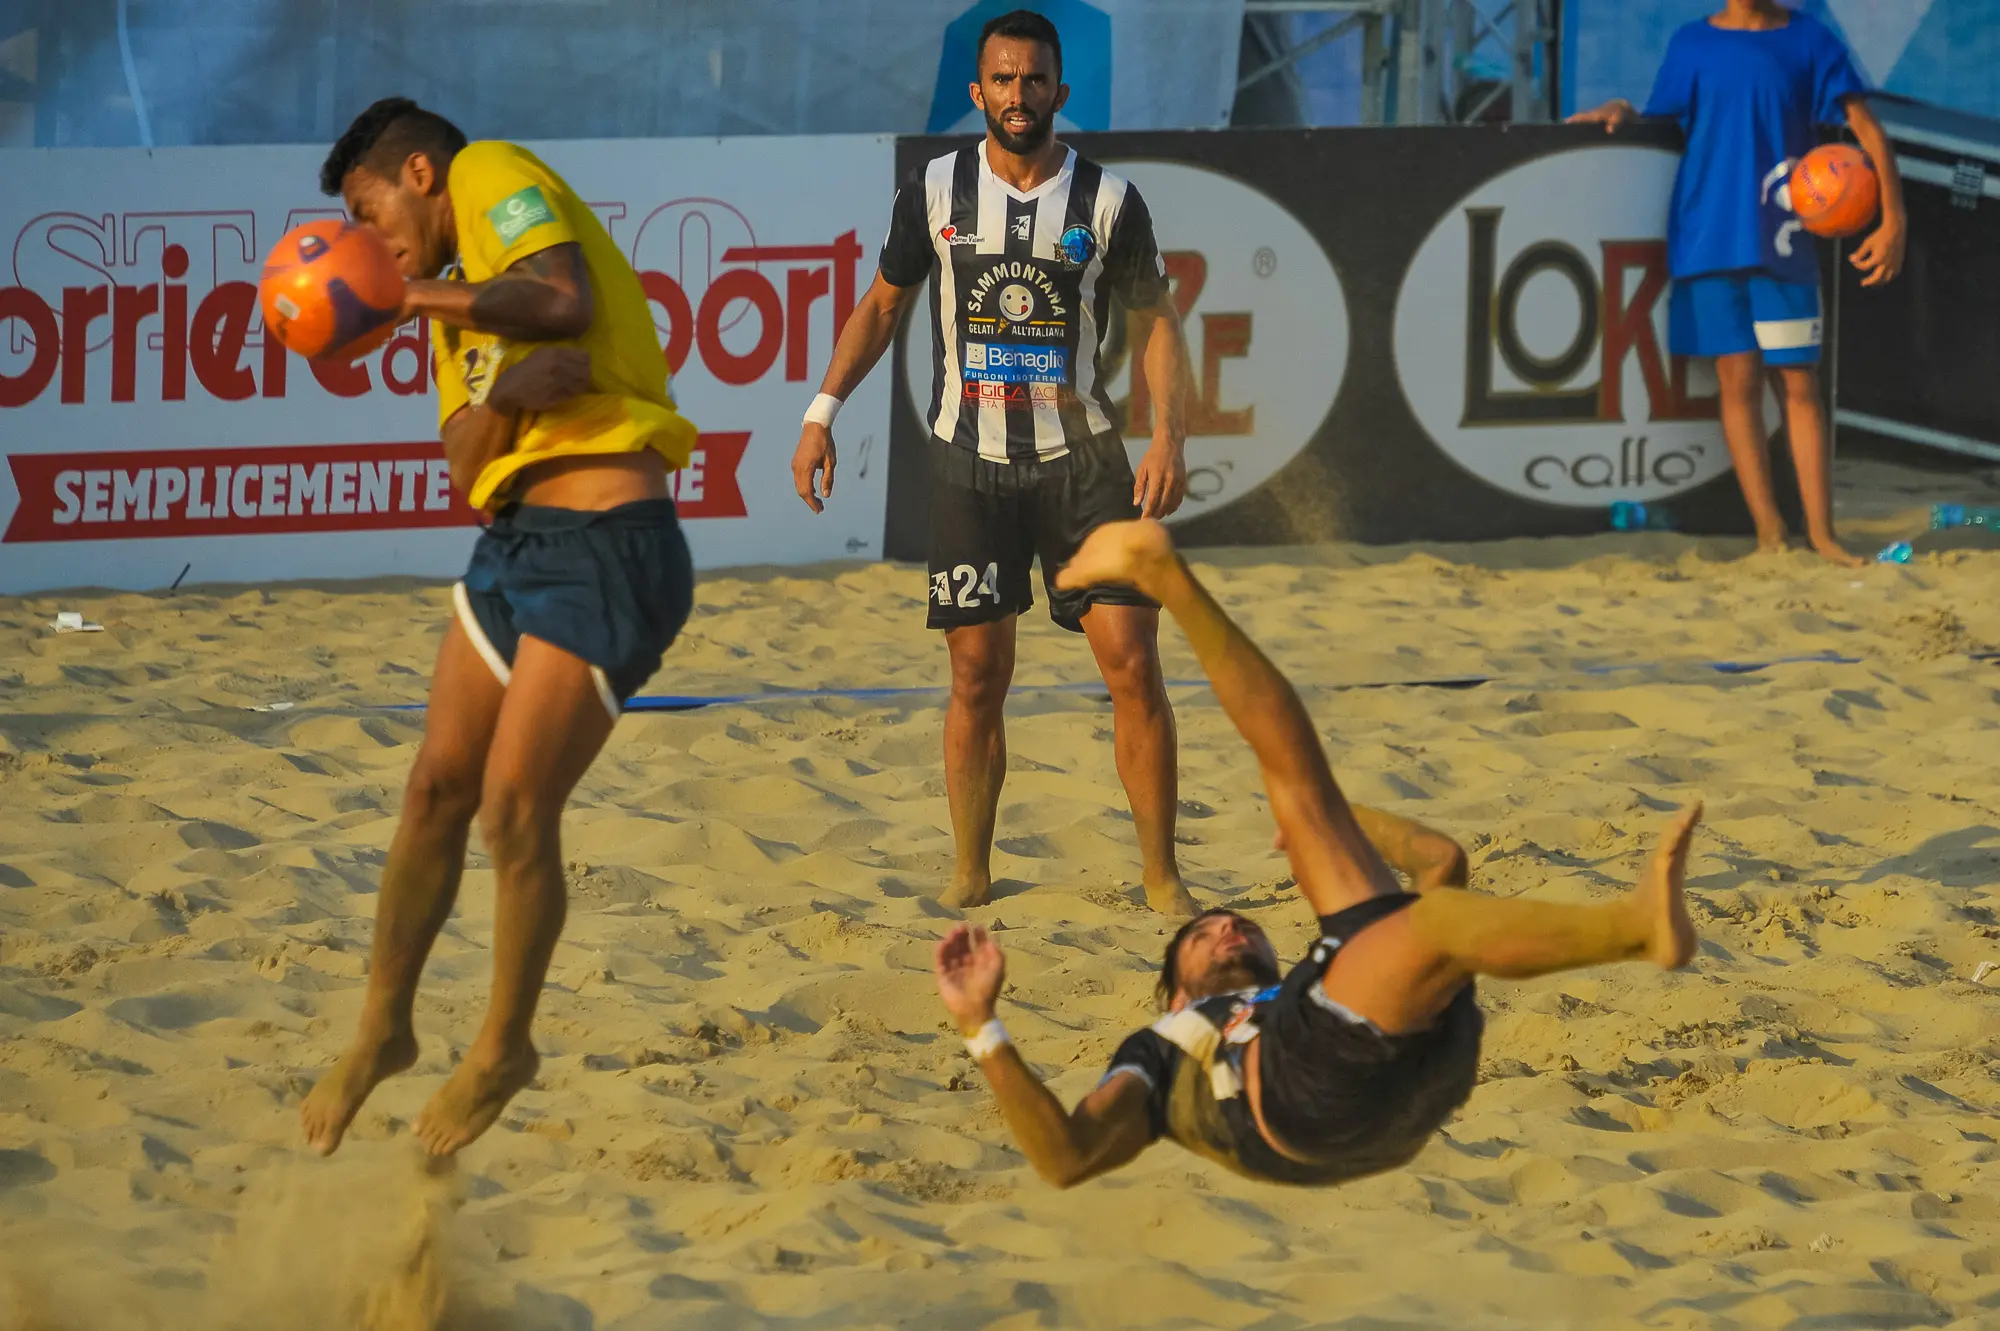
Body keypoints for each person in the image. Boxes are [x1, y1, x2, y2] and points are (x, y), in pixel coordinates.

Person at [933, 519, 1702, 1188]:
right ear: (1174, 992)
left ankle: (1163, 572)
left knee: (1333, 818)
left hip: (1404, 1068)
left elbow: (1440, 858)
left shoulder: (1313, 976)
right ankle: (1634, 929)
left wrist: (1337, 818)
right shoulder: (1164, 1048)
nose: (1228, 928)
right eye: (1204, 937)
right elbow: (1066, 1159)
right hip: (1305, 1101)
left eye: (1234, 928)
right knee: (1397, 891)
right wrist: (982, 1027)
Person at [298, 98, 699, 1157]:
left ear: (418, 173)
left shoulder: (485, 176)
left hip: (613, 537)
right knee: (434, 787)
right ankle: (383, 1024)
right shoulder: (453, 310)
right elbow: (468, 467)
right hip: (511, 546)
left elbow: (562, 299)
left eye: (366, 206)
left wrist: (395, 290)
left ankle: (503, 1046)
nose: (365, 233)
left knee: (515, 811)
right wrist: (509, 390)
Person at [789, 9, 1199, 915]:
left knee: (1133, 666)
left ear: (1061, 89)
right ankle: (972, 868)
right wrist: (822, 412)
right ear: (979, 92)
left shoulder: (1110, 200)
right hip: (970, 465)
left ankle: (1163, 875)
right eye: (1003, 81)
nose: (1020, 96)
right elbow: (882, 307)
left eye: (1035, 79)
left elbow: (1156, 321)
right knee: (978, 675)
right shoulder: (933, 190)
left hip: (1085, 467)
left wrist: (1170, 432)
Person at [1570, 0, 1906, 567]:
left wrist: (1893, 217)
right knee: (1739, 381)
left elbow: (1867, 130)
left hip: (1785, 245)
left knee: (1799, 386)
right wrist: (1622, 108)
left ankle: (1823, 536)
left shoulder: (1809, 40)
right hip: (1708, 240)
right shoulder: (1691, 44)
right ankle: (1770, 532)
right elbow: (1659, 120)